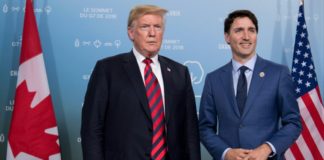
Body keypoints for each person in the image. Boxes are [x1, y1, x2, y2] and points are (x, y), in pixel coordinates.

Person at [81, 4, 201, 160]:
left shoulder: (180, 73)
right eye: (145, 27)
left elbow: (190, 131)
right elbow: (92, 128)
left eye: (157, 27)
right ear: (131, 33)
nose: (152, 33)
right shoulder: (107, 69)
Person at [199, 10, 301, 160]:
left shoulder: (278, 74)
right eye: (239, 30)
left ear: (256, 36)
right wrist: (226, 152)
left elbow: (293, 123)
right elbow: (205, 128)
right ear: (227, 37)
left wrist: (267, 148)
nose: (246, 36)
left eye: (251, 30)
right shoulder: (213, 79)